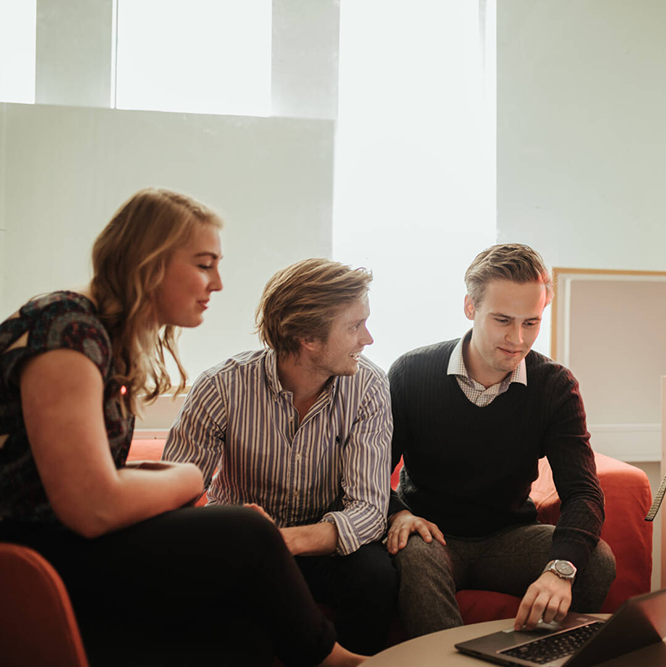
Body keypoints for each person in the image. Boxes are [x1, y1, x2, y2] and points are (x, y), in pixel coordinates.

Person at [0, 188, 364, 667]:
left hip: (63, 545)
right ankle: (338, 661)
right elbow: (91, 506)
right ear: (148, 262)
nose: (217, 283)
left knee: (245, 636)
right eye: (203, 263)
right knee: (247, 531)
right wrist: (189, 479)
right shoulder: (66, 327)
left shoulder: (99, 339)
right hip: (29, 558)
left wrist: (159, 481)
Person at [163, 258, 396, 655]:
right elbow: (172, 502)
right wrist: (240, 537)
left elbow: (369, 511)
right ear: (308, 338)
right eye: (355, 326)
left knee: (375, 575)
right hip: (240, 547)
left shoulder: (368, 386)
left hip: (323, 544)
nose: (368, 339)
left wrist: (279, 542)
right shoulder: (221, 387)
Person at [386, 243, 616, 638]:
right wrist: (398, 513)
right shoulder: (412, 372)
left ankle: (538, 657)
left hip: (509, 537)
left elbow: (583, 494)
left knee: (596, 560)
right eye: (503, 320)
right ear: (470, 308)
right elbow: (370, 473)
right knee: (414, 552)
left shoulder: (554, 386)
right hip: (432, 533)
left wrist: (560, 571)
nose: (517, 339)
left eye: (531, 323)